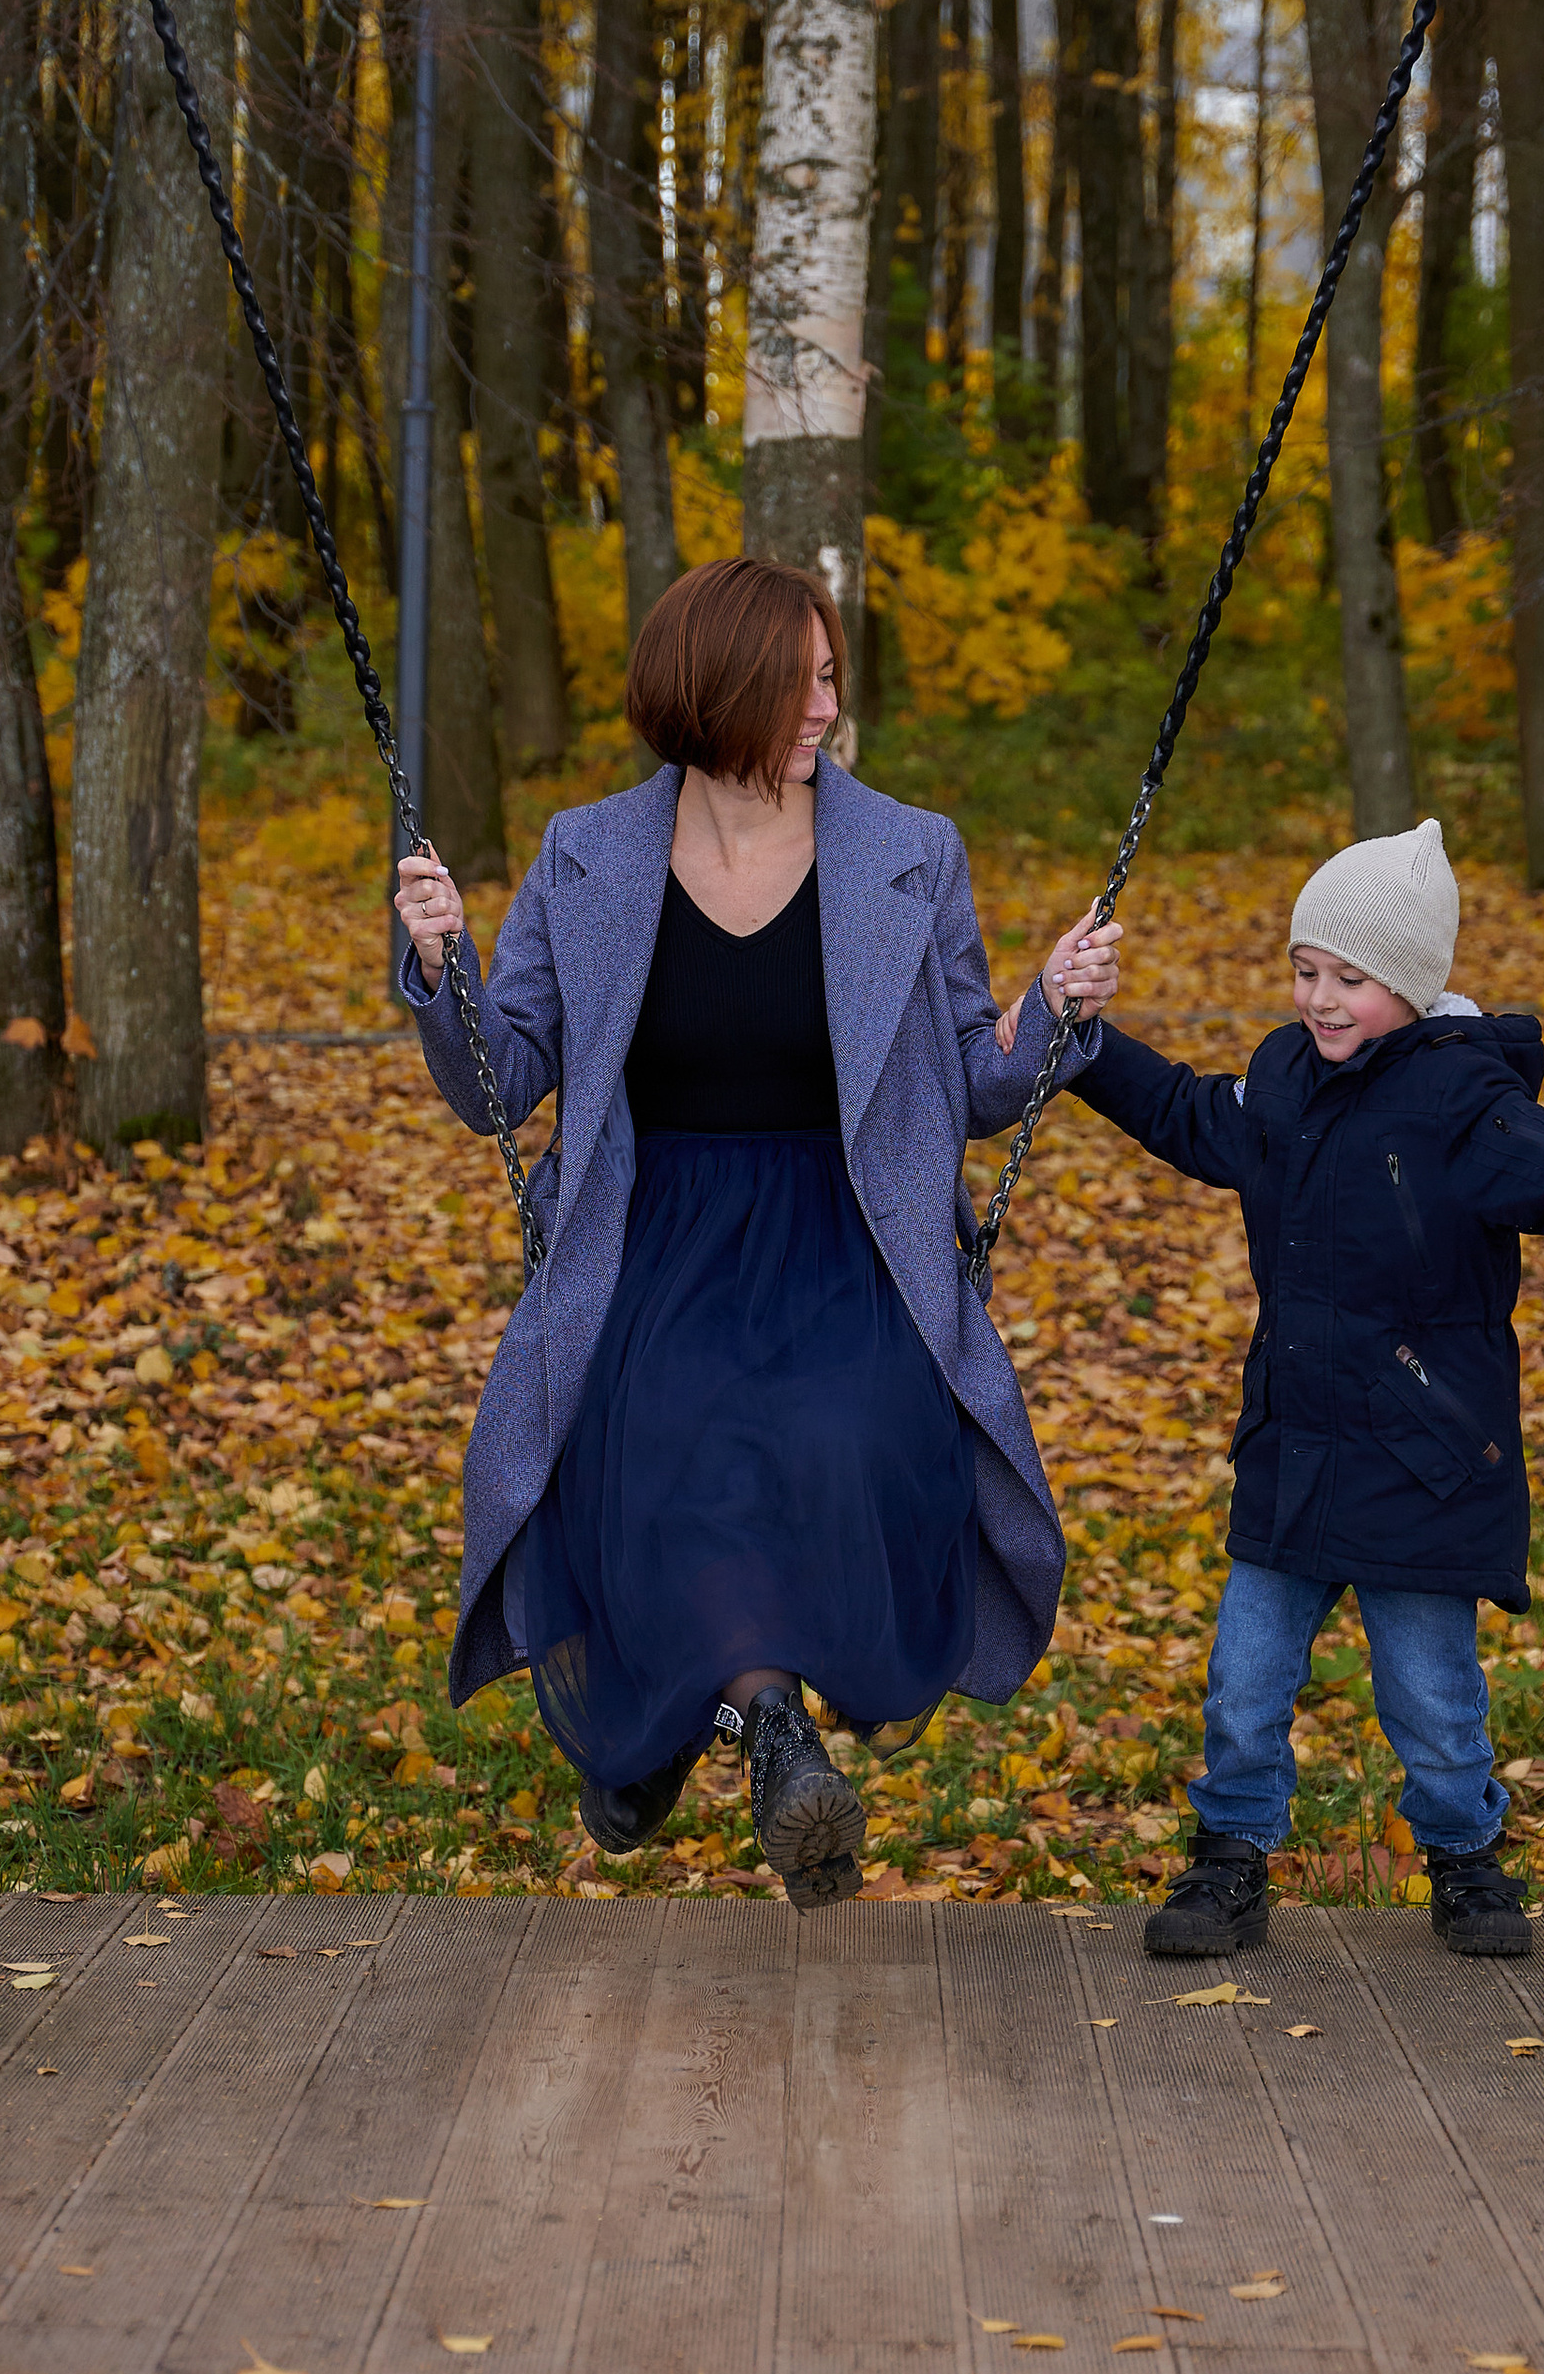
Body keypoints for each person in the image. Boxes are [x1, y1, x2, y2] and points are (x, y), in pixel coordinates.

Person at [392, 557, 1122, 1906]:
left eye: (833, 677)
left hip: (846, 1238)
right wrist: (443, 969)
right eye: (805, 680)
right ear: (721, 688)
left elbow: (973, 1083)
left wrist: (1055, 1007)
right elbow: (499, 1076)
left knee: (845, 1440)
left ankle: (705, 1719)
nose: (827, 708)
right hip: (649, 1234)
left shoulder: (909, 850)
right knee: (662, 1440)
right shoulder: (588, 854)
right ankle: (763, 1734)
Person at [1070, 814, 1544, 1963]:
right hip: (1296, 1440)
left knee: (1431, 1695)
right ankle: (1230, 1859)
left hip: (1423, 1452)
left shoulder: (1461, 1102)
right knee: (1242, 1683)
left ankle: (1464, 1857)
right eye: (1306, 970)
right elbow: (1192, 1116)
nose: (1321, 997)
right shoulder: (1283, 1081)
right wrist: (1091, 1046)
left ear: (1409, 981)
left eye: (1351, 976)